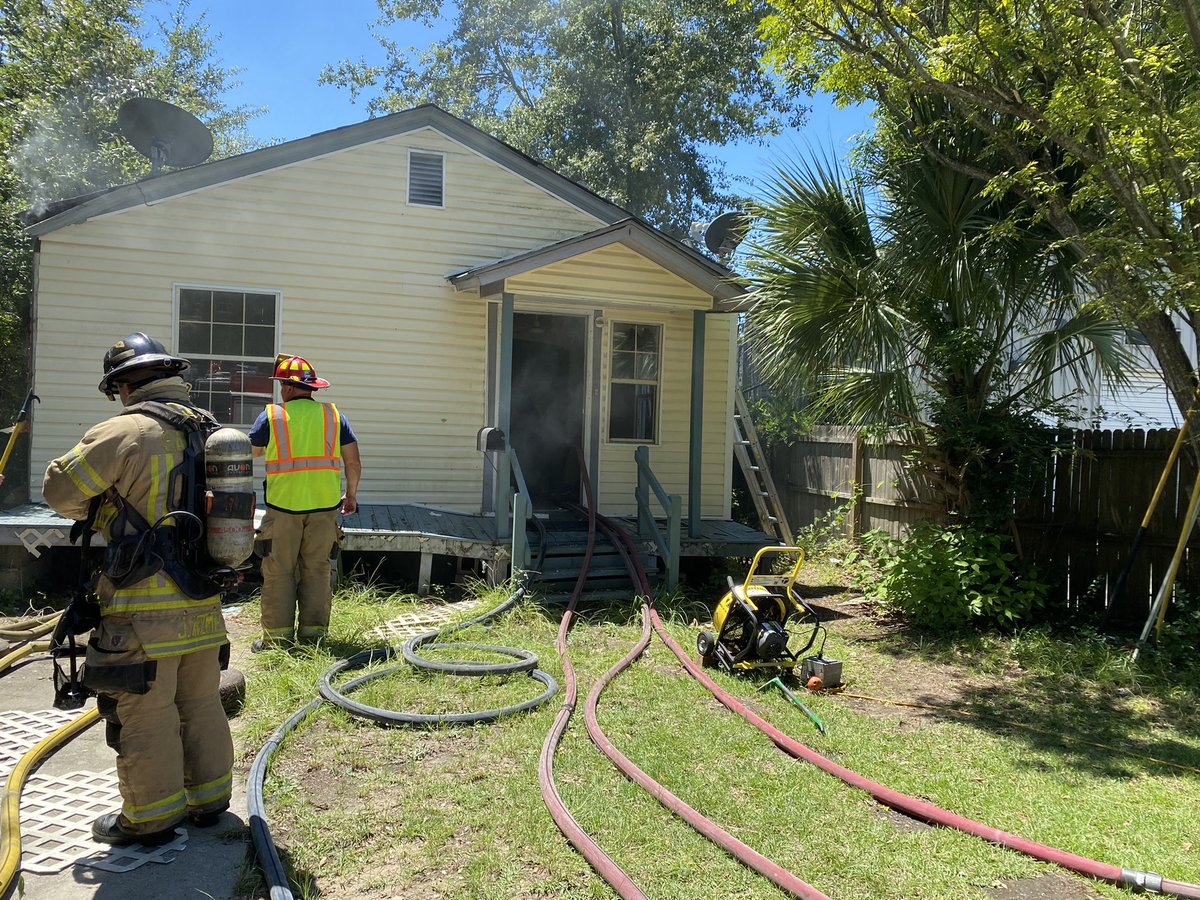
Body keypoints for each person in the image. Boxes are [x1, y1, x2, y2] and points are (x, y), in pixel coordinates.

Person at [42, 333, 234, 846]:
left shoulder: (125, 430)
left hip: (141, 604)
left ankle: (150, 820)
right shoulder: (208, 429)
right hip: (203, 599)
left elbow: (61, 494)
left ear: (125, 385)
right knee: (200, 703)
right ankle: (210, 801)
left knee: (144, 712)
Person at [248, 354, 360, 650]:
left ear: (286, 387)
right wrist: (351, 495)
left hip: (283, 509)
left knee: (279, 571)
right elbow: (353, 461)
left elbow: (252, 453)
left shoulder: (272, 416)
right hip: (324, 510)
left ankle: (277, 640)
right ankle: (313, 637)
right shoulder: (334, 416)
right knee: (317, 570)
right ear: (311, 388)